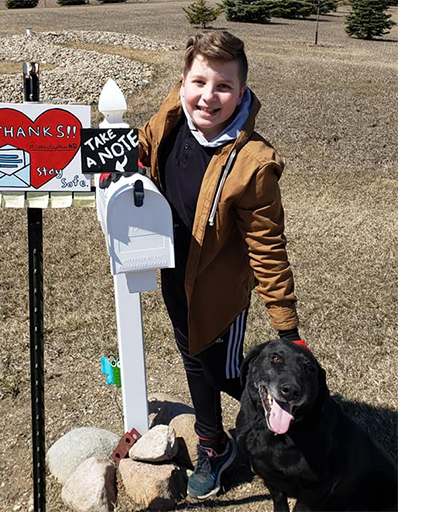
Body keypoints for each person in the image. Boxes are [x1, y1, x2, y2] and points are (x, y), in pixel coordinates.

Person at [134, 30, 303, 499]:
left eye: (224, 86)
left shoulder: (254, 164)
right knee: (193, 361)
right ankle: (214, 444)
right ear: (183, 81)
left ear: (242, 91)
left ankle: (295, 415)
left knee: (226, 372)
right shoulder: (173, 113)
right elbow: (146, 142)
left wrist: (287, 328)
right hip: (174, 273)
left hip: (220, 293)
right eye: (199, 82)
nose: (208, 96)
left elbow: (267, 246)